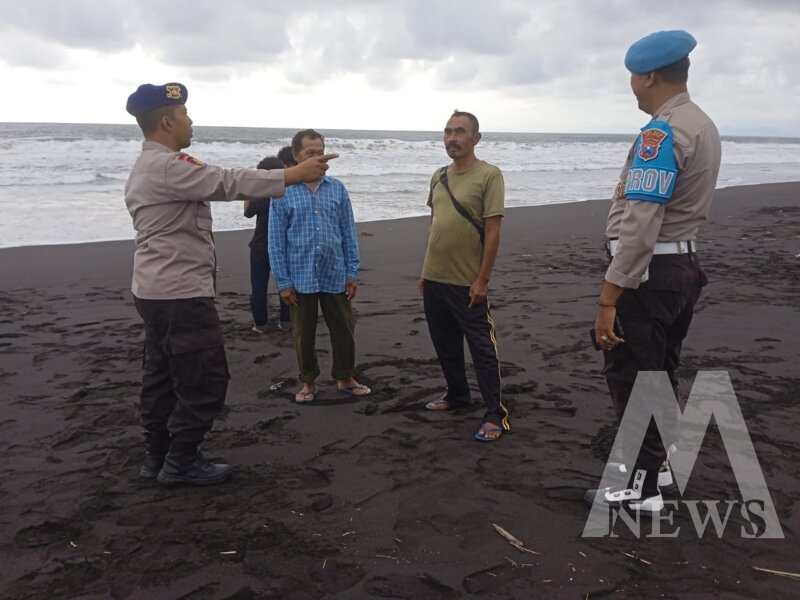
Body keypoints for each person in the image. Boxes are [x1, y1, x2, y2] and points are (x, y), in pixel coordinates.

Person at [124, 83, 336, 485]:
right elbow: (226, 181)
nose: (190, 121)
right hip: (179, 293)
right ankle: (181, 460)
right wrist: (292, 174)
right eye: (184, 115)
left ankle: (158, 456)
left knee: (162, 377)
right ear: (167, 121)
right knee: (205, 378)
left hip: (154, 289)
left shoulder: (149, 165)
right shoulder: (168, 166)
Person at [587, 31, 721, 512]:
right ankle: (657, 467)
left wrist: (609, 297)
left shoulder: (660, 134)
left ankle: (640, 488)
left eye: (633, 77)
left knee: (633, 376)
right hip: (680, 266)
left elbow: (641, 223)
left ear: (648, 76)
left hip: (650, 273)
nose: (631, 86)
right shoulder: (701, 123)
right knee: (660, 371)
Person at [419, 111, 510, 442]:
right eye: (447, 132)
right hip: (435, 278)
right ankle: (457, 395)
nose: (452, 138)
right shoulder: (438, 176)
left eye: (459, 132)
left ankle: (495, 414)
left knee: (482, 348)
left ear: (476, 138)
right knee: (445, 344)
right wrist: (425, 272)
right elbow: (436, 225)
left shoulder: (489, 175)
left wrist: (482, 280)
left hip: (467, 281)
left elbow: (493, 230)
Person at [268, 129, 371, 403]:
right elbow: (276, 241)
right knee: (303, 334)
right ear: (296, 156)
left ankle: (345, 377)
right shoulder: (283, 192)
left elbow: (348, 232)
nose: (318, 158)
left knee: (343, 328)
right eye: (310, 153)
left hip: (334, 272)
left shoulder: (337, 188)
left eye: (320, 152)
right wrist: (283, 282)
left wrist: (352, 272)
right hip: (299, 276)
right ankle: (308, 382)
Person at [244, 155, 291, 332]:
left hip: (260, 245)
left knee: (258, 286)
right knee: (285, 284)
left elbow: (247, 213)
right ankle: (286, 321)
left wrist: (249, 191)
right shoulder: (286, 193)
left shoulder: (261, 195)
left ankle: (260, 324)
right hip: (283, 245)